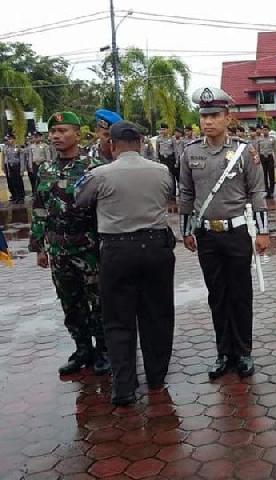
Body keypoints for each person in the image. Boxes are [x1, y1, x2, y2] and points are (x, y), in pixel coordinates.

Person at [75, 120, 175, 406]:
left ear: (111, 144)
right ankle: (156, 378)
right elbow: (167, 195)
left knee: (118, 320)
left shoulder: (99, 174)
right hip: (157, 247)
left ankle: (124, 387)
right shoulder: (162, 171)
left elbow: (80, 201)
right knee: (157, 315)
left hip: (117, 251)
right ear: (142, 143)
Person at [180, 87, 270, 379]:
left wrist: (263, 231)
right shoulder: (190, 152)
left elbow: (257, 191)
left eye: (215, 115)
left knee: (240, 294)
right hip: (206, 236)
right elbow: (186, 193)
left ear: (227, 117)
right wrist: (186, 231)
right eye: (204, 115)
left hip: (236, 233)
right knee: (216, 295)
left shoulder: (244, 151)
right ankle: (223, 353)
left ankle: (243, 352)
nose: (208, 121)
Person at [29, 112, 109, 376]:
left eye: (62, 131)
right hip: (58, 250)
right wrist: (40, 246)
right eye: (53, 132)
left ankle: (103, 351)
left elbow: (105, 208)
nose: (56, 136)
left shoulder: (94, 166)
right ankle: (82, 348)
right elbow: (40, 209)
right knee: (70, 303)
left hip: (89, 249)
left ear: (77, 133)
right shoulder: (46, 169)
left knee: (97, 302)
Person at [156, 123, 178, 198]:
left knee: (171, 176)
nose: (162, 131)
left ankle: (173, 194)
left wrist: (177, 161)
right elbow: (157, 150)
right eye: (161, 129)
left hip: (170, 159)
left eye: (164, 129)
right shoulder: (158, 139)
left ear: (167, 130)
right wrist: (157, 159)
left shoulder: (172, 138)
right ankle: (165, 193)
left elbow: (175, 150)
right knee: (163, 176)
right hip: (162, 159)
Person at [4, 135, 26, 203]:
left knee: (19, 182)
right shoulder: (7, 149)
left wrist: (22, 170)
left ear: (14, 139)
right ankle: (16, 197)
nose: (9, 140)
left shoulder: (18, 147)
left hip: (17, 166)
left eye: (10, 139)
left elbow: (22, 159)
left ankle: (21, 197)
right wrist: (7, 169)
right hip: (10, 167)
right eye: (8, 139)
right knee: (13, 183)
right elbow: (7, 160)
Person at [258, 126, 276, 199]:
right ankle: (266, 191)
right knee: (264, 175)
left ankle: (271, 191)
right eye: (263, 130)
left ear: (269, 131)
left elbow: (275, 150)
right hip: (262, 158)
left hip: (270, 157)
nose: (265, 131)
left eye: (266, 130)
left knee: (271, 175)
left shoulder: (273, 139)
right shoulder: (259, 139)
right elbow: (258, 150)